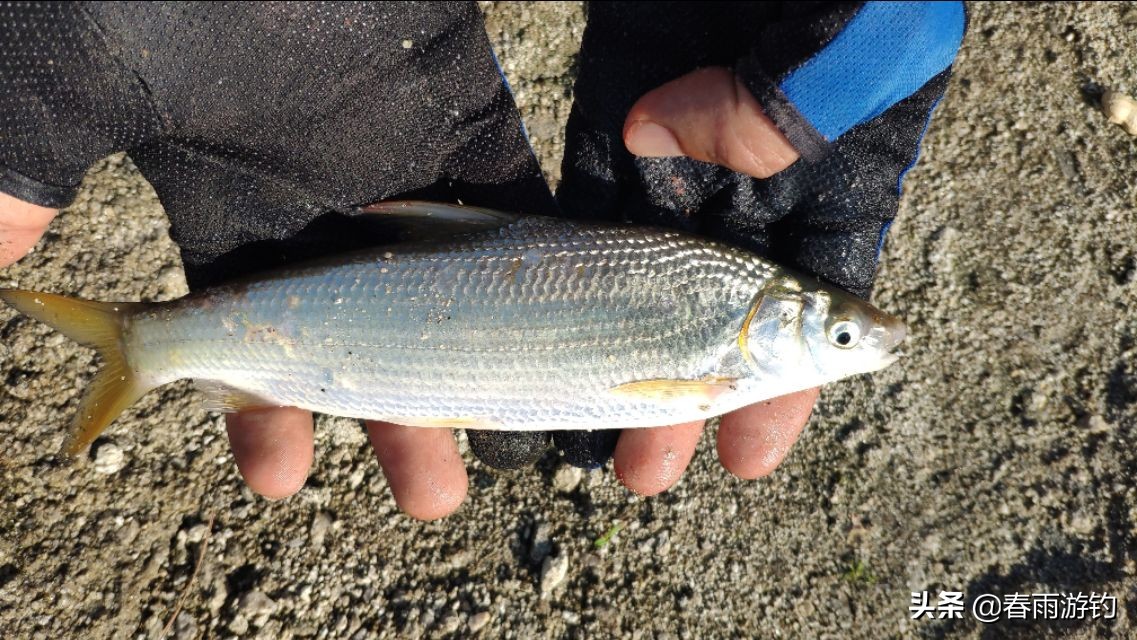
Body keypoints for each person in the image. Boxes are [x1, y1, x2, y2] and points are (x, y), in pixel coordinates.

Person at [0, 2, 965, 519]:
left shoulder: (725, 324)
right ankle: (147, 343)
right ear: (777, 324)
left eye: (843, 334)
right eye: (838, 334)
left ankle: (150, 344)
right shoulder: (718, 352)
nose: (858, 343)